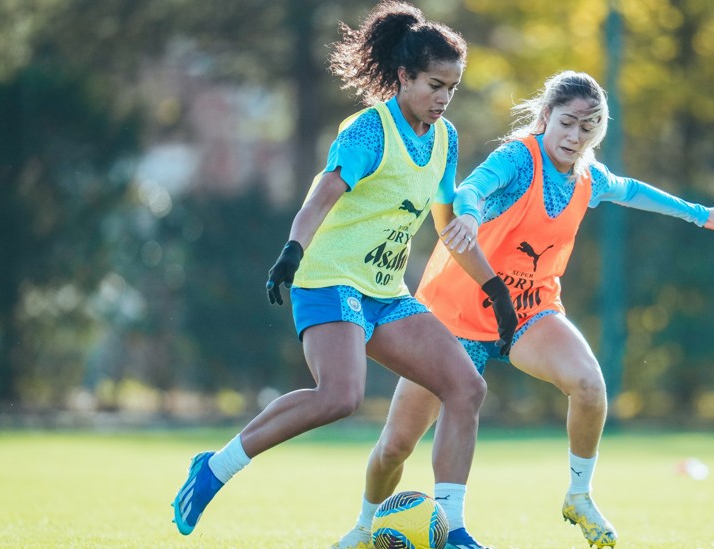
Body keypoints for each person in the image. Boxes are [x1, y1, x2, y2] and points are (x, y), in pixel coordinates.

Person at [332, 70, 714, 549]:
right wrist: (468, 212)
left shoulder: (587, 177)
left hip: (528, 314)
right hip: (454, 315)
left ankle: (573, 496)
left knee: (589, 384)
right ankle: (364, 528)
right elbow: (471, 188)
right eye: (568, 122)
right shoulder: (518, 157)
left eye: (589, 126)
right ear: (545, 117)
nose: (576, 136)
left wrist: (701, 214)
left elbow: (631, 190)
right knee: (395, 447)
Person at [170, 1, 517, 544]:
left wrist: (493, 287)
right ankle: (215, 469)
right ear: (403, 76)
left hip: (383, 293)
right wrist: (291, 252)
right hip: (329, 279)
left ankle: (454, 531)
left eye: (453, 87)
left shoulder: (446, 141)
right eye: (433, 84)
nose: (444, 98)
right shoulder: (368, 131)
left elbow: (451, 231)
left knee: (466, 387)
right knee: (340, 396)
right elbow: (320, 196)